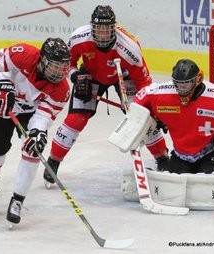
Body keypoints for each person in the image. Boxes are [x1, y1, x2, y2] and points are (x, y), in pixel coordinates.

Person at [42, 5, 168, 186]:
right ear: (92, 27)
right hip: (90, 75)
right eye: (98, 29)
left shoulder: (130, 49)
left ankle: (162, 157)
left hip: (125, 77)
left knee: (142, 118)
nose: (101, 34)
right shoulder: (79, 38)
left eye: (106, 29)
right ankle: (53, 161)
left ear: (113, 29)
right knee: (77, 118)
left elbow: (144, 85)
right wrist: (76, 77)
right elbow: (67, 63)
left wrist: (149, 110)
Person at [0, 37, 71, 225]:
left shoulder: (62, 89)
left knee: (33, 151)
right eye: (55, 66)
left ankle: (18, 200)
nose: (59, 72)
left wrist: (38, 132)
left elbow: (44, 115)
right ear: (43, 60)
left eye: (63, 67)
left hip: (29, 114)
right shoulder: (24, 54)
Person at [132, 58, 214, 174]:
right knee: (173, 184)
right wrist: (140, 116)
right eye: (178, 84)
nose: (181, 89)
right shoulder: (162, 93)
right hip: (181, 156)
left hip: (210, 154)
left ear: (198, 80)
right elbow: (142, 96)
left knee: (209, 183)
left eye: (186, 85)